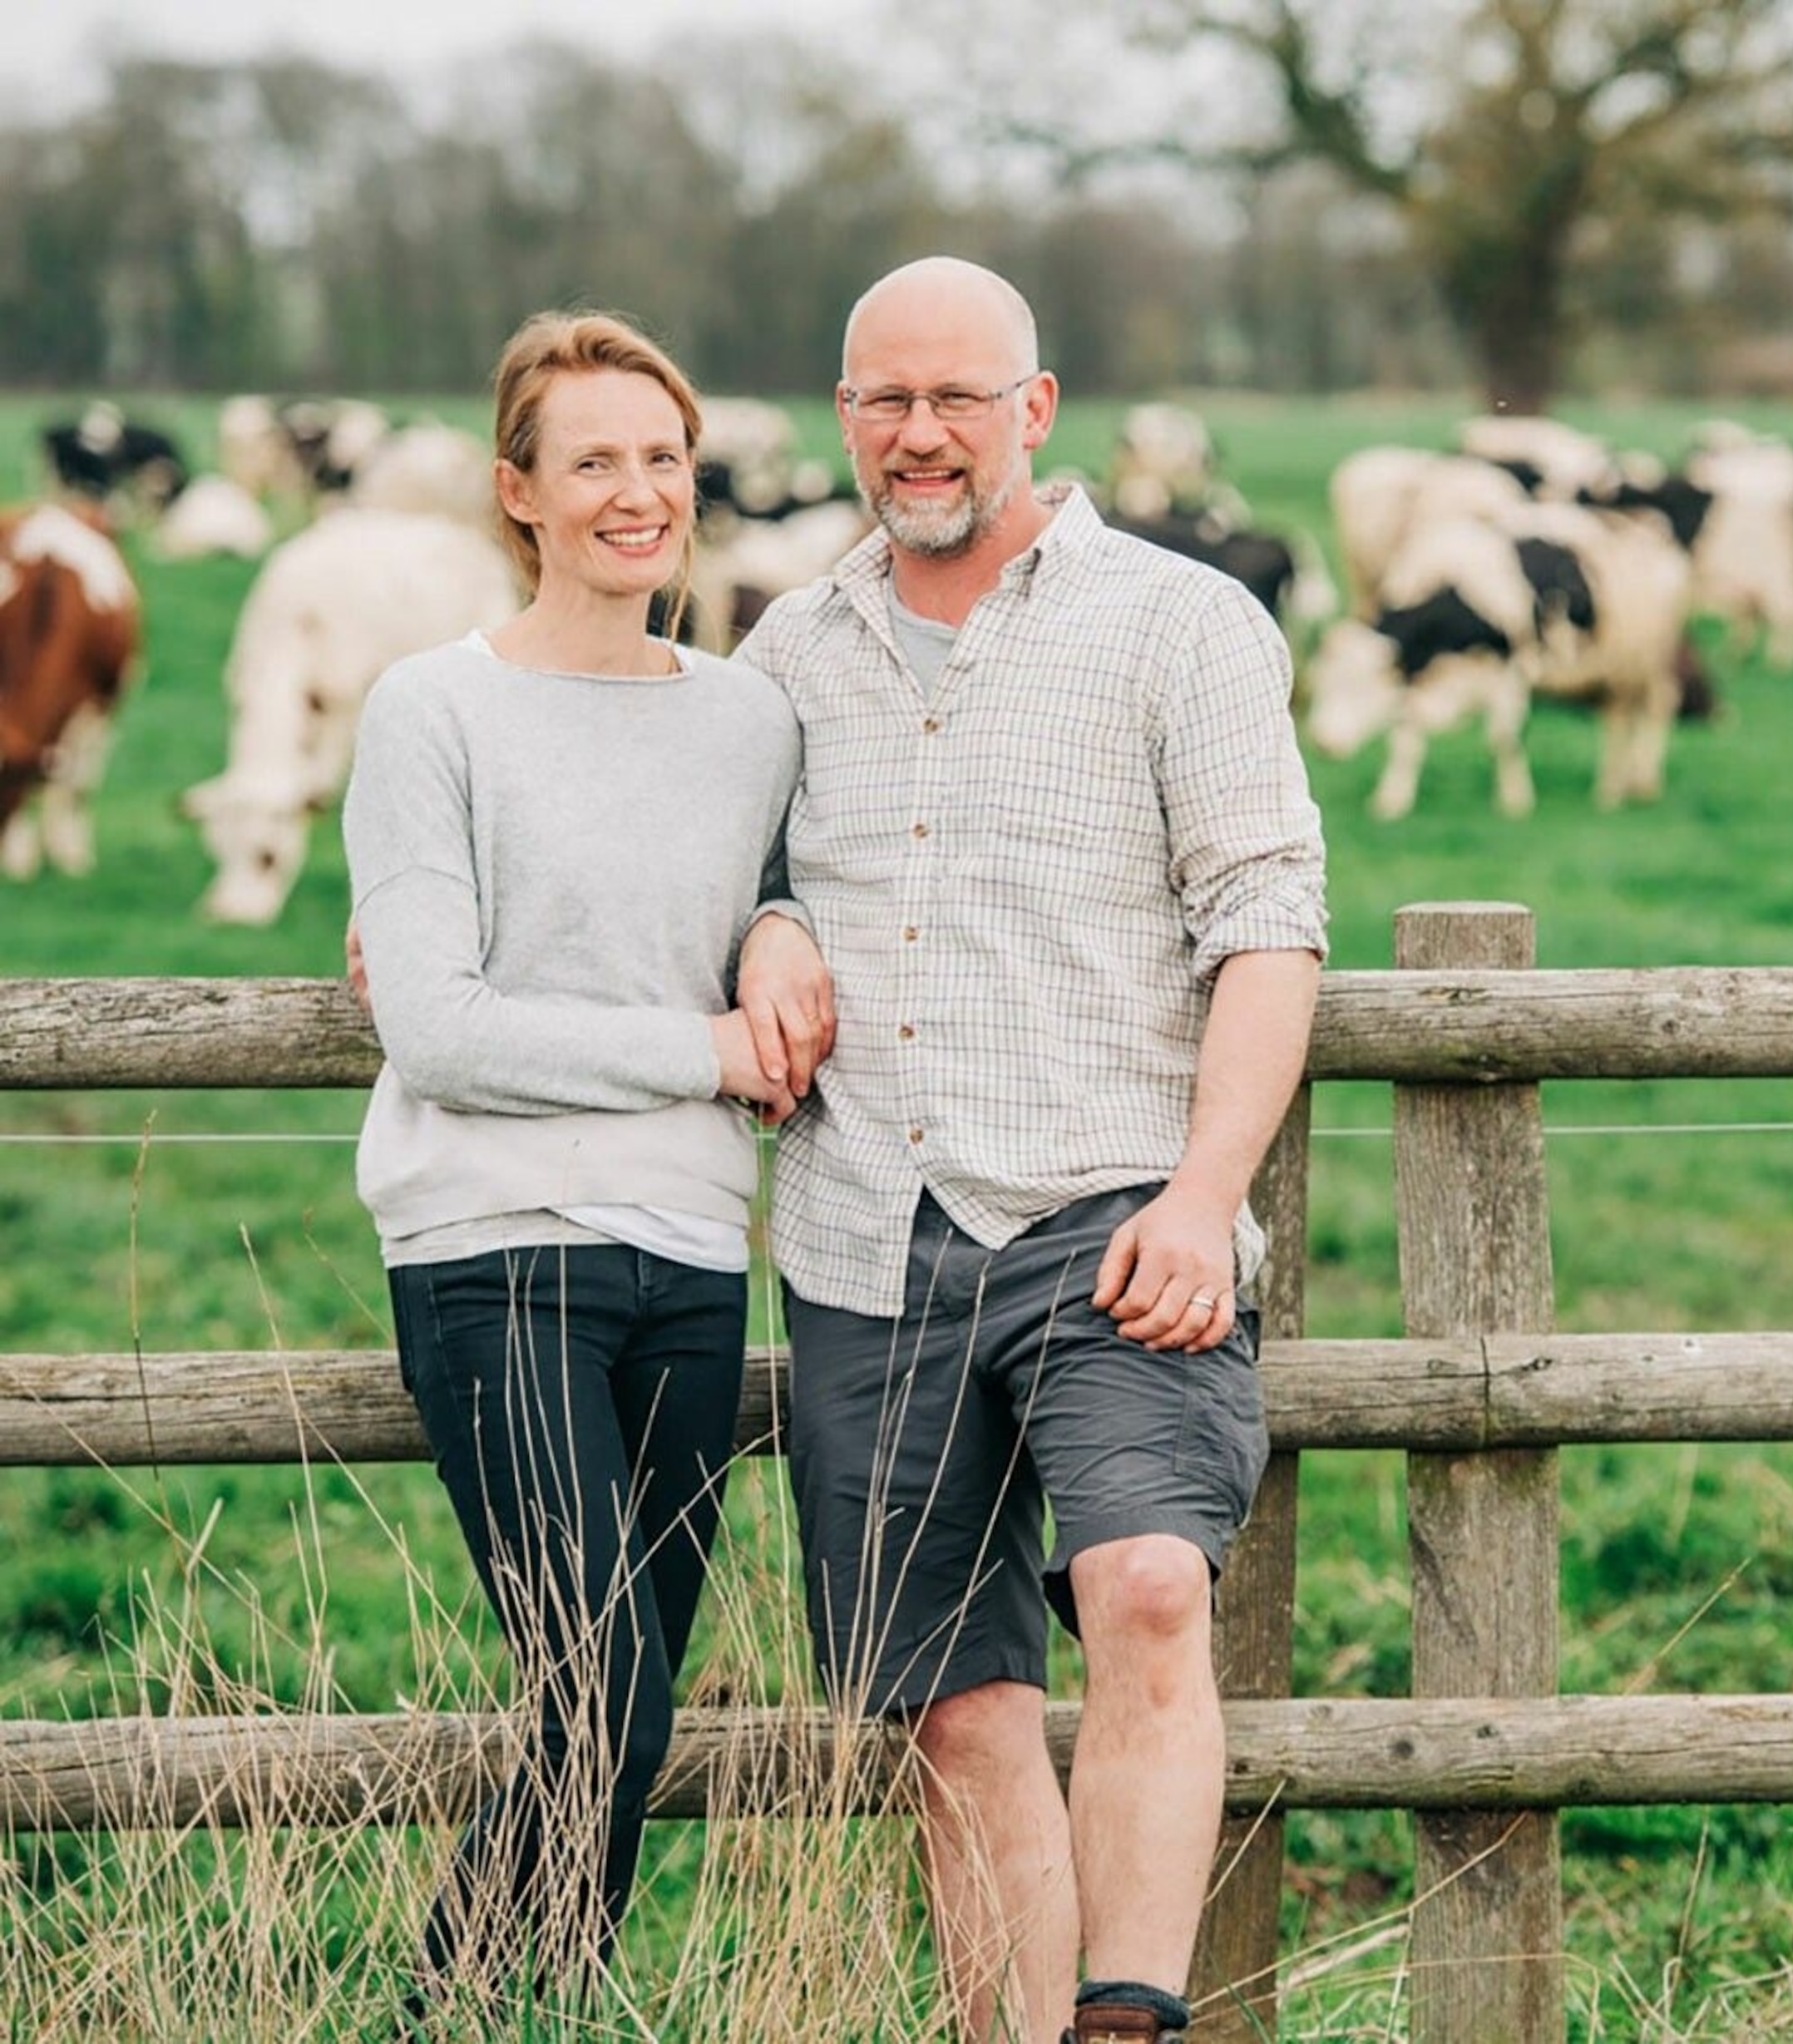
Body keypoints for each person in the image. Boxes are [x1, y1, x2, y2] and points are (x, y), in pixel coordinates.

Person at [733, 256, 1326, 2044]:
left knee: (1147, 1584)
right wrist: (763, 925)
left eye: (958, 397)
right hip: (865, 1227)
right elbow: (713, 879)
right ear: (845, 418)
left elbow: (1270, 920)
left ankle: (1133, 2016)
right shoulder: (786, 649)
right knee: (950, 1700)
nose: (921, 435)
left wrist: (1208, 1194)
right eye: (885, 400)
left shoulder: (1182, 622)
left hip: (1116, 1210)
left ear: (1036, 409)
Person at [340, 310, 808, 2012]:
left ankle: (538, 2000)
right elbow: (443, 1031)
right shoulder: (431, 709)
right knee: (601, 1676)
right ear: (518, 491)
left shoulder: (748, 717)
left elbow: (776, 900)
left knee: (622, 1695)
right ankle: (448, 2007)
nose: (638, 491)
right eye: (594, 459)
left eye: (663, 457)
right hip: (492, 1246)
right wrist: (704, 1049)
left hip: (686, 1247)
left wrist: (773, 929)